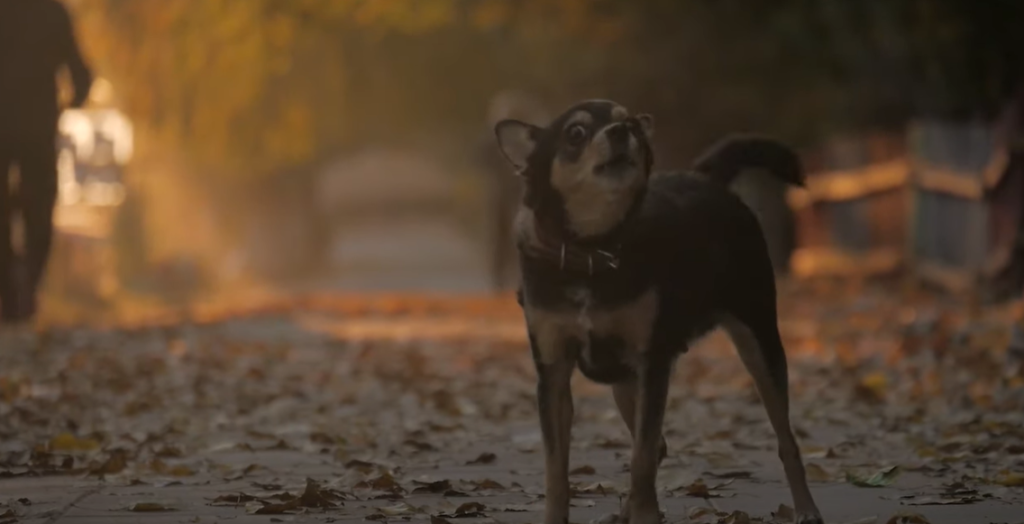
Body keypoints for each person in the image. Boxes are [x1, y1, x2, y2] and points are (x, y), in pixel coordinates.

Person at [0, 0, 94, 323]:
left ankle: (9, 291)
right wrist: (71, 102)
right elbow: (81, 74)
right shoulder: (52, 13)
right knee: (40, 209)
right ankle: (27, 286)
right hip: (38, 127)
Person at [476, 90, 550, 293]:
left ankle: (518, 280)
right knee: (501, 237)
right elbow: (483, 158)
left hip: (522, 192)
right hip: (502, 191)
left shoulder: (529, 136)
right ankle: (500, 281)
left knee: (523, 236)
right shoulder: (496, 137)